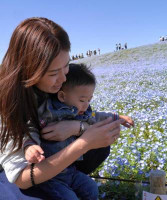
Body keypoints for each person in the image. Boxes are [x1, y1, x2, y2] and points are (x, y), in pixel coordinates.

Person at [0, 17, 124, 199]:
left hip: (53, 164)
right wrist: (84, 143)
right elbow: (21, 178)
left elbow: (86, 115)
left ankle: (64, 180)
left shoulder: (56, 86)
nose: (63, 79)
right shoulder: (7, 102)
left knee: (100, 147)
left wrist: (77, 128)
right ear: (29, 70)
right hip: (12, 177)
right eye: (53, 73)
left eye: (65, 66)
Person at [23, 63, 133, 199]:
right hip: (48, 175)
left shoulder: (81, 109)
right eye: (82, 100)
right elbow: (31, 127)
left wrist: (117, 117)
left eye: (89, 99)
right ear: (62, 96)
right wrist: (29, 145)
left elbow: (96, 116)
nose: (86, 105)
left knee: (92, 189)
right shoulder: (48, 111)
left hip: (70, 170)